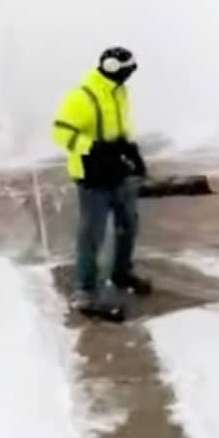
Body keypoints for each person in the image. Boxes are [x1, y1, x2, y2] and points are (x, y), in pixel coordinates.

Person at [52, 46, 153, 320]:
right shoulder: (81, 96)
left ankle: (121, 273)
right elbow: (60, 133)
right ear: (112, 68)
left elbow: (120, 126)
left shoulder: (119, 91)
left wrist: (131, 151)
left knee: (128, 224)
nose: (130, 75)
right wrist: (93, 148)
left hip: (117, 172)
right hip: (92, 176)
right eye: (127, 70)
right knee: (92, 234)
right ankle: (86, 291)